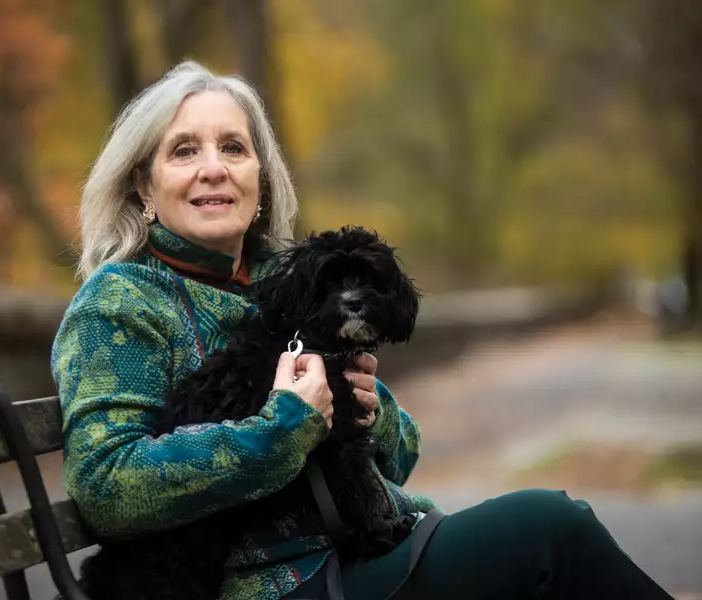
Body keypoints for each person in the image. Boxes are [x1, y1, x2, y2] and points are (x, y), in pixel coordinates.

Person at [52, 61, 673, 599]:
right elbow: (109, 486)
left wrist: (376, 416)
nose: (213, 168)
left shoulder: (291, 280)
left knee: (557, 534)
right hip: (264, 583)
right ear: (144, 187)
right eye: (184, 150)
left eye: (234, 148)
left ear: (261, 184)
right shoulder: (120, 303)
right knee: (551, 530)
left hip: (355, 553)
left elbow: (401, 457)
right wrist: (284, 430)